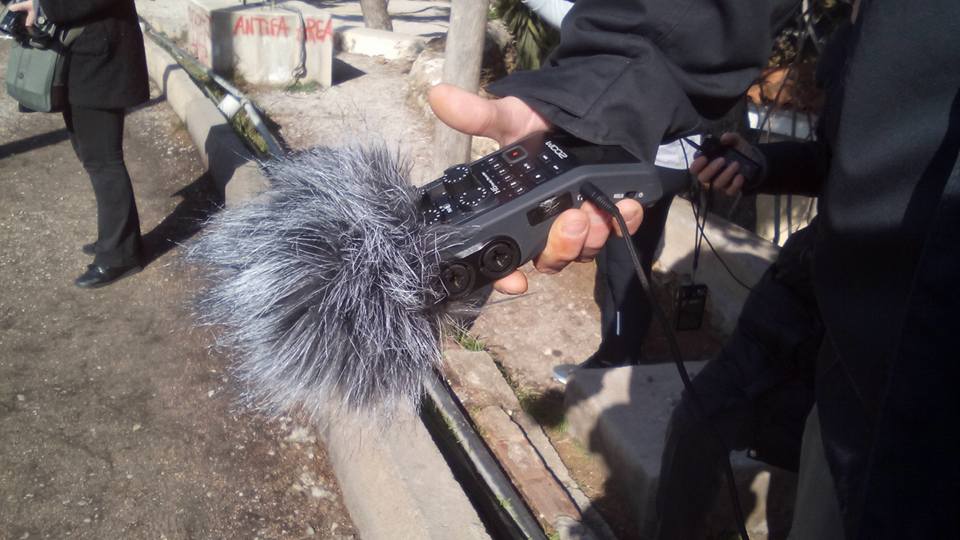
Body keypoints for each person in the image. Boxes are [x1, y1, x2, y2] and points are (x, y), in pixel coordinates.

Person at [431, 0, 960, 537]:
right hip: (834, 296)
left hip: (926, 403)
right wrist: (596, 96)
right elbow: (850, 162)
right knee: (703, 418)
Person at [10, 0, 150, 288]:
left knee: (103, 159)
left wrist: (43, 5)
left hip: (104, 59)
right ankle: (118, 239)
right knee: (89, 152)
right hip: (82, 57)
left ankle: (119, 256)